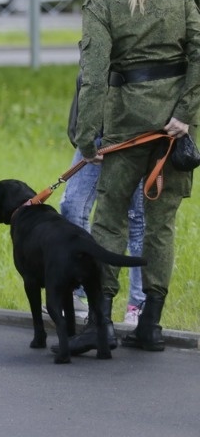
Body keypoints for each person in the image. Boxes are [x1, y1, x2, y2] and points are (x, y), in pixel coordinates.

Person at [69, 0, 200, 354]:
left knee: (109, 222)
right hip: (173, 135)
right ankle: (151, 326)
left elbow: (92, 79)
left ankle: (102, 324)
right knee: (161, 228)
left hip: (125, 127)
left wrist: (87, 141)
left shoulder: (103, 0)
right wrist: (184, 114)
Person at [60, 72, 146, 324]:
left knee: (136, 217)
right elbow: (87, 81)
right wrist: (80, 130)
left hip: (135, 132)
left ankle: (138, 304)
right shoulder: (93, 33)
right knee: (72, 206)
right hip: (94, 132)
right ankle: (80, 294)